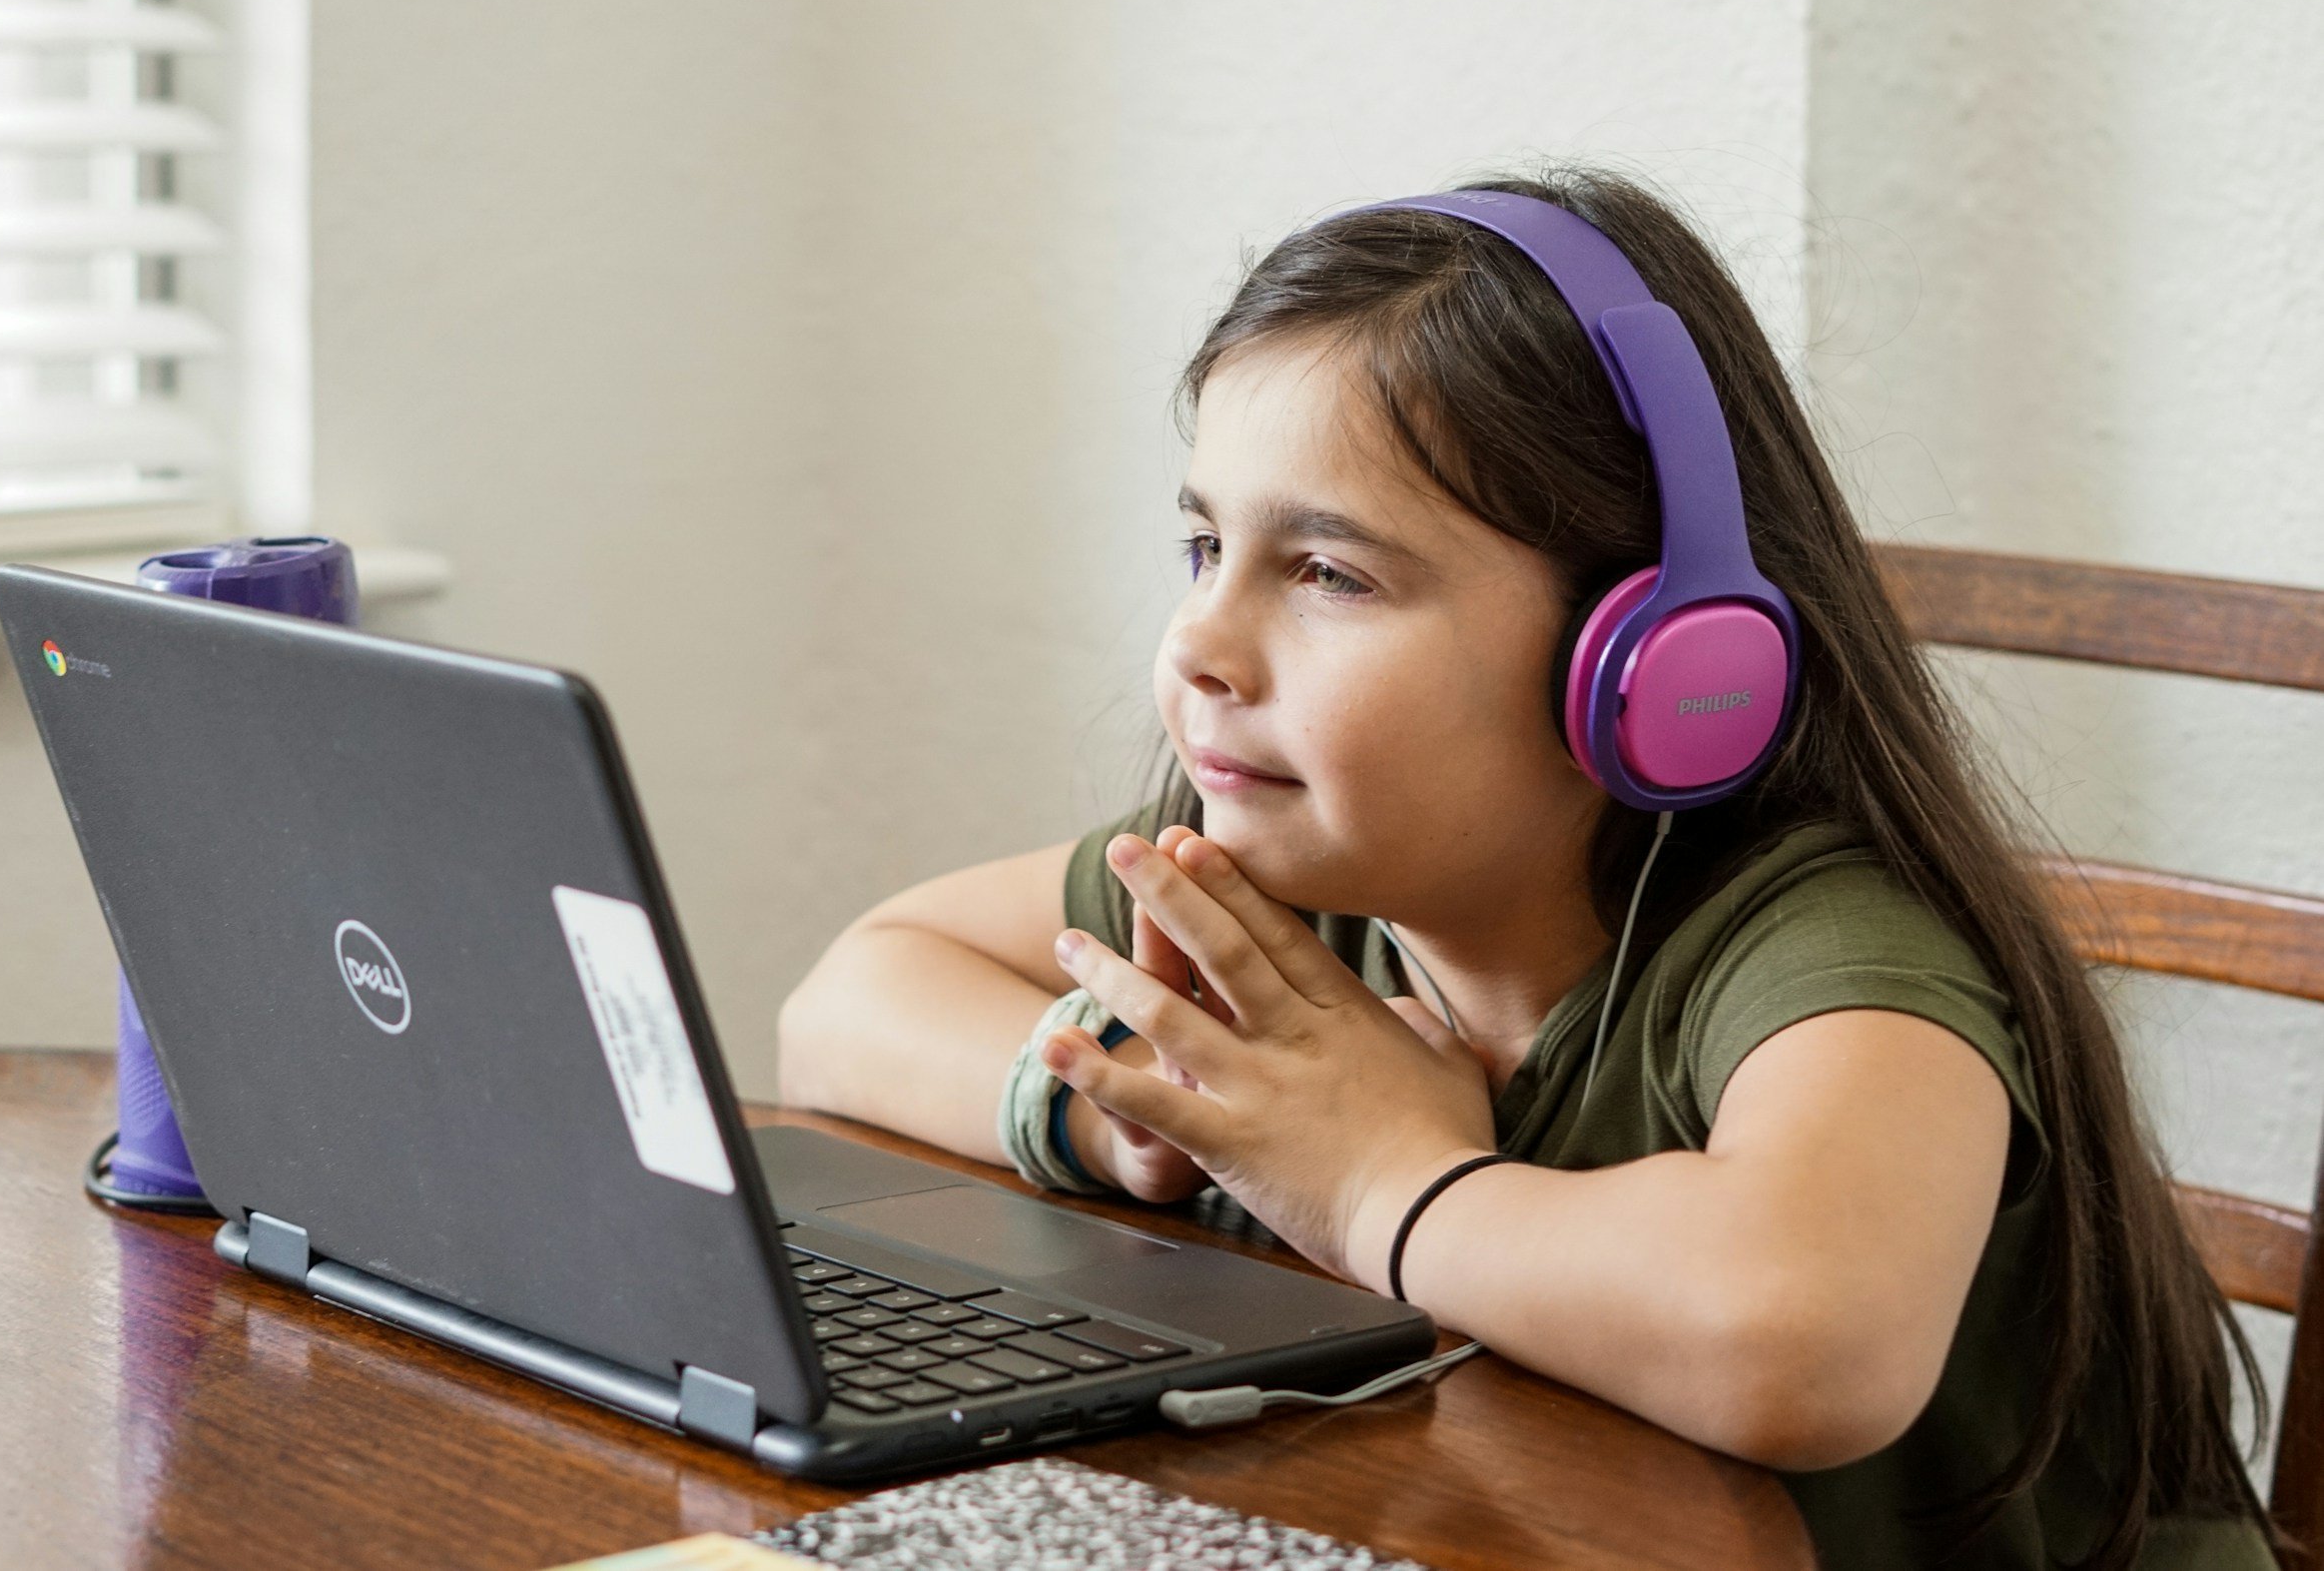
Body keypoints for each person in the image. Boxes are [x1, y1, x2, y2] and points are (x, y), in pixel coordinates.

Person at [777, 166, 2276, 1570]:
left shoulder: (1811, 944)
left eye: (1328, 574)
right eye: (1202, 548)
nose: (1199, 647)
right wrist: (1125, 1122)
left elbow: (1803, 1338)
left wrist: (1378, 1181)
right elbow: (847, 1001)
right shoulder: (1281, 873)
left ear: (1652, 665)